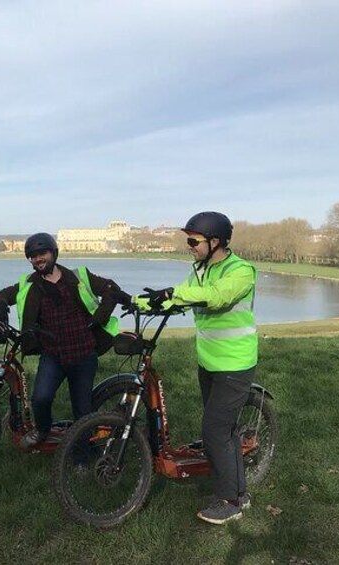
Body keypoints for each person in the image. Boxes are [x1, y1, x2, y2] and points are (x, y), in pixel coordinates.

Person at [137, 212, 257, 525]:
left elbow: (217, 298)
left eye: (194, 241)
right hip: (210, 362)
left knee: (215, 430)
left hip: (235, 363)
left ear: (215, 242)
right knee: (226, 431)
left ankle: (229, 502)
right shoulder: (199, 271)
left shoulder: (242, 271)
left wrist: (174, 294)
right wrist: (138, 301)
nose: (189, 246)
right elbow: (178, 298)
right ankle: (240, 494)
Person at [0, 232, 130, 449]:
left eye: (42, 253)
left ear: (54, 253)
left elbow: (110, 289)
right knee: (41, 399)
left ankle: (82, 456)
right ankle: (42, 429)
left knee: (82, 411)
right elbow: (4, 294)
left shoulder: (79, 276)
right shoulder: (28, 283)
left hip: (83, 353)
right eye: (33, 256)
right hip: (52, 355)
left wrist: (99, 318)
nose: (38, 259)